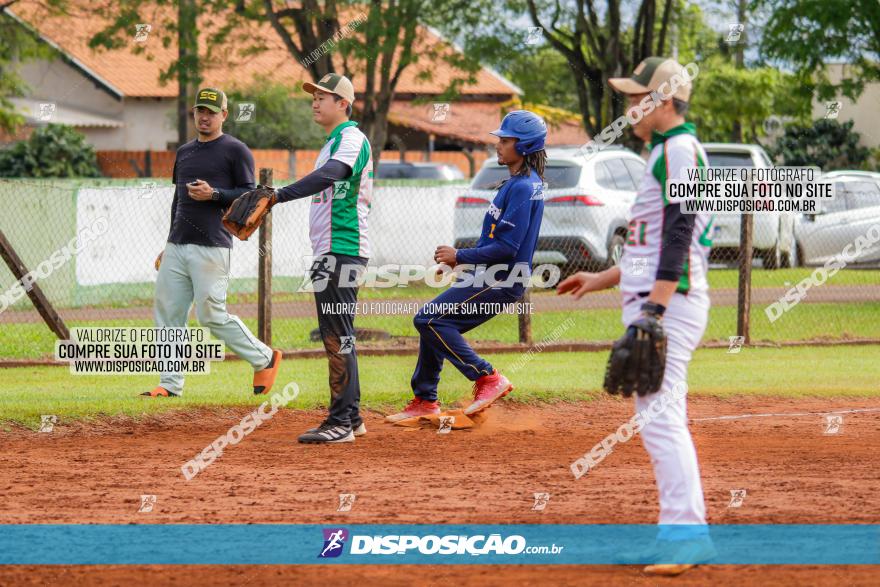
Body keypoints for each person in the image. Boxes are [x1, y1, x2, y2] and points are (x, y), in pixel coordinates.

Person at [558, 57, 716, 576]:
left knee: (660, 418)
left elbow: (678, 233)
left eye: (636, 97)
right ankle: (680, 534)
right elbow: (650, 243)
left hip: (671, 302)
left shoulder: (678, 150)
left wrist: (654, 308)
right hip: (662, 298)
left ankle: (687, 538)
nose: (629, 107)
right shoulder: (665, 152)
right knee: (660, 416)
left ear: (663, 100)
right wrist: (602, 278)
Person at [385, 110, 547, 422]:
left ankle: (487, 377)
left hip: (502, 278)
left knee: (429, 319)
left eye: (506, 140)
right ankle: (424, 399)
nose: (498, 145)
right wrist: (463, 263)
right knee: (436, 323)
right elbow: (495, 241)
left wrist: (459, 255)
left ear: (525, 146)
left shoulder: (524, 187)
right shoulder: (520, 183)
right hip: (492, 274)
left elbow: (507, 247)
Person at [144, 87, 281, 398]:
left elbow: (251, 194)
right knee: (167, 312)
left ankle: (265, 358)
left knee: (211, 314)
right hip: (178, 245)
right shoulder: (184, 152)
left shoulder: (236, 150)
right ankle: (169, 384)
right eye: (200, 111)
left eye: (211, 111)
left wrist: (215, 194)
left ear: (224, 115)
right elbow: (177, 200)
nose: (204, 117)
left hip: (213, 245)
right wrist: (168, 244)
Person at [267, 74, 372, 444]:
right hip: (332, 250)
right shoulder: (331, 143)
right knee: (338, 334)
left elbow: (332, 175)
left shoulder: (351, 139)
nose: (315, 101)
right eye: (313, 95)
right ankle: (351, 417)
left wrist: (280, 195)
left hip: (342, 248)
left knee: (338, 335)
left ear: (343, 104)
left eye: (324, 96)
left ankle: (341, 421)